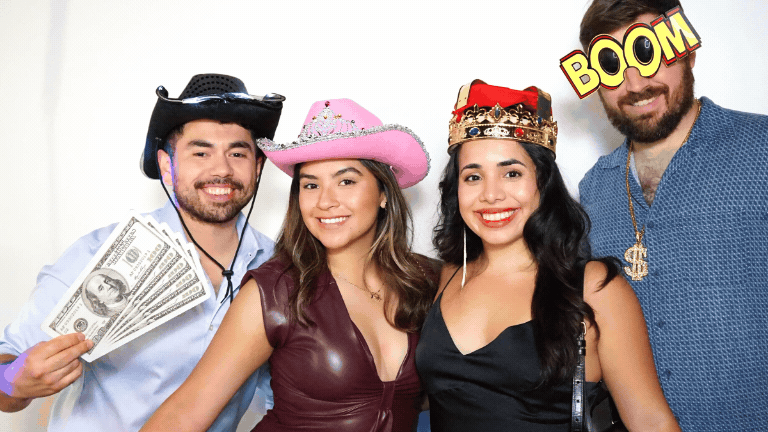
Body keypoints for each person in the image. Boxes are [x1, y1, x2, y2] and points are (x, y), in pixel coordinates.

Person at [0, 73, 284, 431]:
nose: (222, 169)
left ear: (258, 168)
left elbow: (287, 391)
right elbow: (5, 371)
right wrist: (13, 381)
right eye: (201, 152)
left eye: (238, 153)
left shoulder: (281, 268)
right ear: (167, 166)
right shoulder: (98, 254)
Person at [141, 98, 438, 432]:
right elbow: (186, 412)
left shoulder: (428, 280)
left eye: (346, 181)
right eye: (310, 184)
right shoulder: (274, 292)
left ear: (385, 191)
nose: (325, 201)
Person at [415, 81, 680, 432]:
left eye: (512, 173)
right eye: (473, 176)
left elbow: (651, 422)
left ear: (542, 181)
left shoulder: (594, 288)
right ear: (456, 189)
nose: (491, 194)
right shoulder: (449, 275)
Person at [577, 1, 768, 430]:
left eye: (648, 53)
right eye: (610, 64)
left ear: (687, 51)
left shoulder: (762, 149)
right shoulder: (593, 189)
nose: (635, 82)